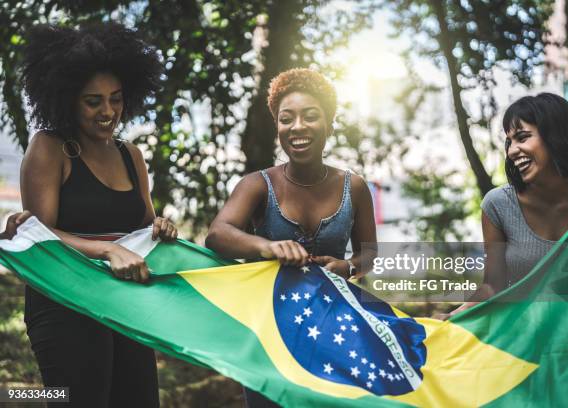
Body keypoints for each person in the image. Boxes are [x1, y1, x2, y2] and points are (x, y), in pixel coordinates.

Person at [19, 23, 177, 407]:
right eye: (93, 101)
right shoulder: (49, 148)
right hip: (64, 304)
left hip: (124, 307)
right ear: (69, 99)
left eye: (116, 99)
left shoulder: (131, 155)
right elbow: (38, 238)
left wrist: (161, 228)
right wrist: (105, 251)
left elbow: (142, 231)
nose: (108, 111)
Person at [205, 68, 377, 406]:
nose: (297, 127)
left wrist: (348, 266)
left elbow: (370, 254)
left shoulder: (353, 187)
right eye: (287, 119)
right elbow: (217, 234)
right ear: (278, 126)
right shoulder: (257, 184)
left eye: (310, 117)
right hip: (269, 334)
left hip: (334, 328)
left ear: (329, 123)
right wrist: (268, 247)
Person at [445, 93, 568, 318]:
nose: (512, 151)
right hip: (520, 345)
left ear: (557, 136)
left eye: (522, 137)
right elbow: (493, 287)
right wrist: (451, 318)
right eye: (509, 141)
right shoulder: (499, 205)